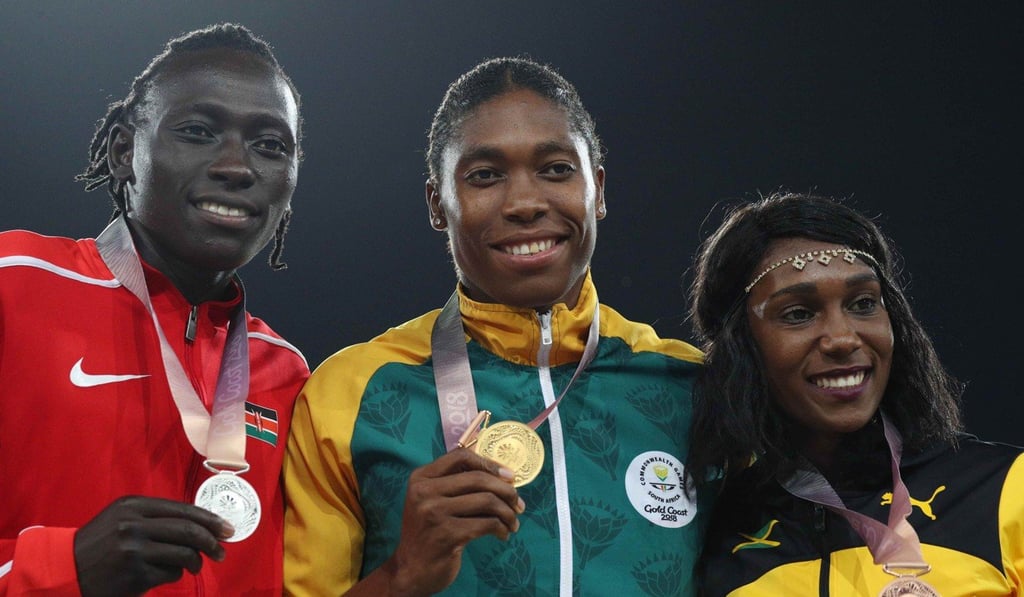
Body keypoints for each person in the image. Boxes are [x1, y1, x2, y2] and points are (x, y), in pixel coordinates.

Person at [284, 56, 710, 596]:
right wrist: (402, 575)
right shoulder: (351, 394)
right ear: (438, 204)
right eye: (485, 176)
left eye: (556, 169)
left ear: (598, 191)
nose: (525, 204)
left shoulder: (693, 387)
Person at [0, 23, 309, 595]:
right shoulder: (14, 282)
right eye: (198, 131)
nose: (238, 167)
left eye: (271, 145)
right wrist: (64, 567)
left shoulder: (287, 372)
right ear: (123, 151)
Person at [685, 191, 1024, 595]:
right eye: (799, 313)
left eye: (864, 304)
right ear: (742, 347)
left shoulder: (1005, 490)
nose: (843, 338)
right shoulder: (713, 537)